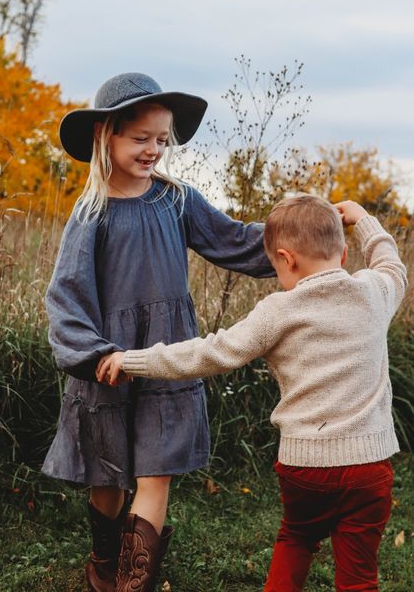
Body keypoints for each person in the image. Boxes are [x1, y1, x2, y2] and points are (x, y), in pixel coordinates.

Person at [98, 194, 407, 592]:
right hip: (369, 467)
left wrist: (133, 360)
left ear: (287, 258)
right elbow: (390, 263)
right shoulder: (373, 292)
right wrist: (363, 217)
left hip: (305, 469)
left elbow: (207, 353)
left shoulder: (278, 310)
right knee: (359, 574)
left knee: (296, 539)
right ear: (344, 253)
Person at [42, 72, 275, 592]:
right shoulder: (91, 212)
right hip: (109, 361)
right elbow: (66, 295)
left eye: (162, 140)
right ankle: (104, 558)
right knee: (108, 479)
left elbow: (234, 240)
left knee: (156, 470)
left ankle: (133, 582)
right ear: (108, 136)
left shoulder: (177, 200)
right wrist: (93, 353)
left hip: (170, 355)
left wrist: (299, 238)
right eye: (140, 138)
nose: (153, 150)